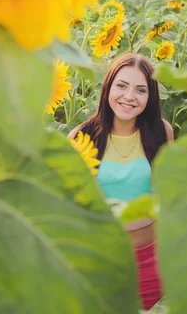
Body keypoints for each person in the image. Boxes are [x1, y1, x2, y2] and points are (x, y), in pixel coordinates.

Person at [68, 52, 174, 310]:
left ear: (150, 98)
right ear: (108, 88)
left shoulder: (161, 132)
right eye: (122, 86)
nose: (129, 97)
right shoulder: (82, 137)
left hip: (153, 260)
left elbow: (170, 194)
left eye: (140, 90)